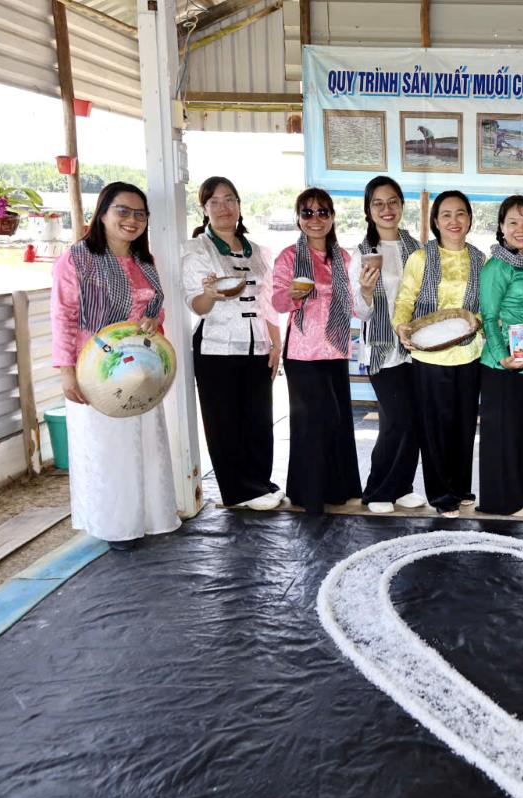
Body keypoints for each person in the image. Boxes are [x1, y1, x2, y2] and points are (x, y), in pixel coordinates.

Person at [51, 182, 180, 549]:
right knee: (108, 450)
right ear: (103, 213)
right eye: (123, 211)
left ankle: (153, 518)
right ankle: (117, 527)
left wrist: (156, 323)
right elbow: (63, 315)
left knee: (146, 444)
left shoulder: (145, 261)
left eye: (140, 214)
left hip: (141, 369)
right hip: (97, 370)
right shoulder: (77, 259)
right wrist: (65, 369)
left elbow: (155, 310)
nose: (132, 220)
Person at [182, 176, 283, 511]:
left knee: (258, 417)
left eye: (230, 200)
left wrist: (275, 344)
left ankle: (260, 482)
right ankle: (239, 492)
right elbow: (195, 304)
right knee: (223, 420)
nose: (223, 208)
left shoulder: (260, 251)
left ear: (239, 205)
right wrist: (209, 295)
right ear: (204, 209)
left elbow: (268, 302)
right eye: (215, 202)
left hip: (257, 345)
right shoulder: (197, 249)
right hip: (216, 347)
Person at [394, 191, 486, 518]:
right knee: (434, 427)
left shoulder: (479, 258)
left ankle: (460, 487)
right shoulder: (421, 257)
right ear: (435, 221)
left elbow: (484, 307)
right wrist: (401, 326)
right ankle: (440, 494)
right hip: (430, 357)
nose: (454, 221)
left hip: (468, 354)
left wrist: (483, 324)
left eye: (460, 214)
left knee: (463, 426)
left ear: (470, 219)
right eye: (446, 215)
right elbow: (406, 298)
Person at [272, 188, 361, 515]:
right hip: (302, 352)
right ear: (298, 218)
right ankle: (308, 494)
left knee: (337, 420)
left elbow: (353, 306)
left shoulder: (344, 258)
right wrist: (295, 294)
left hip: (336, 349)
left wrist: (365, 289)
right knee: (311, 423)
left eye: (322, 212)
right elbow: (278, 302)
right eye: (307, 213)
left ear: (333, 217)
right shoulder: (288, 257)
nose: (315, 219)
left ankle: (337, 491)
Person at [350, 176, 426, 514]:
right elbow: (360, 311)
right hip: (383, 348)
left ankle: (403, 487)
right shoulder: (362, 252)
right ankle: (377, 491)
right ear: (368, 210)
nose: (387, 209)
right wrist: (366, 292)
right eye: (378, 203)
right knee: (396, 420)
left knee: (415, 420)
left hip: (417, 346)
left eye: (393, 201)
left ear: (402, 205)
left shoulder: (417, 248)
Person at [477, 195, 523, 517]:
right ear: (501, 228)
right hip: (501, 362)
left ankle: (519, 493)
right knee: (500, 434)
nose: (521, 229)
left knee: (522, 430)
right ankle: (500, 501)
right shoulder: (497, 266)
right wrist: (500, 355)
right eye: (513, 222)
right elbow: (489, 317)